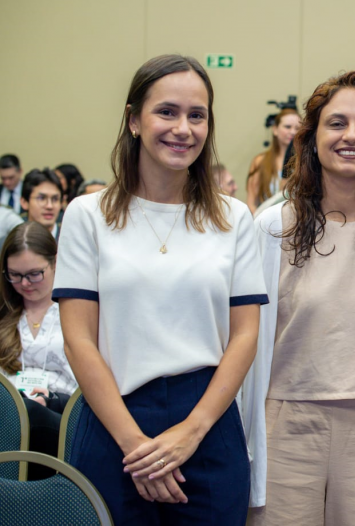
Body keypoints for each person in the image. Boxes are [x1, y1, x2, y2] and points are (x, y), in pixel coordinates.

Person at [52, 54, 267, 525]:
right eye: (167, 112)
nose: (182, 129)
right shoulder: (88, 215)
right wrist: (136, 448)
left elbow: (245, 335)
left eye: (197, 115)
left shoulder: (233, 218)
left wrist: (191, 432)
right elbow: (78, 339)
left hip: (207, 423)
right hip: (113, 423)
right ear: (133, 120)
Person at [244, 70, 355, 526]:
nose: (351, 136)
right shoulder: (273, 228)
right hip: (285, 424)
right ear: (312, 137)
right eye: (337, 123)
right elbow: (247, 340)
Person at [0, 223, 77, 478]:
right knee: (17, 412)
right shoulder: (5, 313)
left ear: (55, 263)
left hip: (63, 410)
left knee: (30, 413)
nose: (24, 283)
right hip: (8, 408)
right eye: (15, 275)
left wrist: (54, 399)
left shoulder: (75, 311)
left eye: (34, 274)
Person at [247, 107, 300, 213]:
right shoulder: (261, 161)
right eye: (287, 127)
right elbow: (251, 203)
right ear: (275, 129)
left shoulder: (305, 162)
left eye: (297, 128)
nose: (293, 132)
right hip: (265, 218)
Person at [20, 168, 63, 239]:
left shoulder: (69, 239)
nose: (49, 206)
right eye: (41, 198)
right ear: (24, 202)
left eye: (55, 199)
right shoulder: (14, 239)